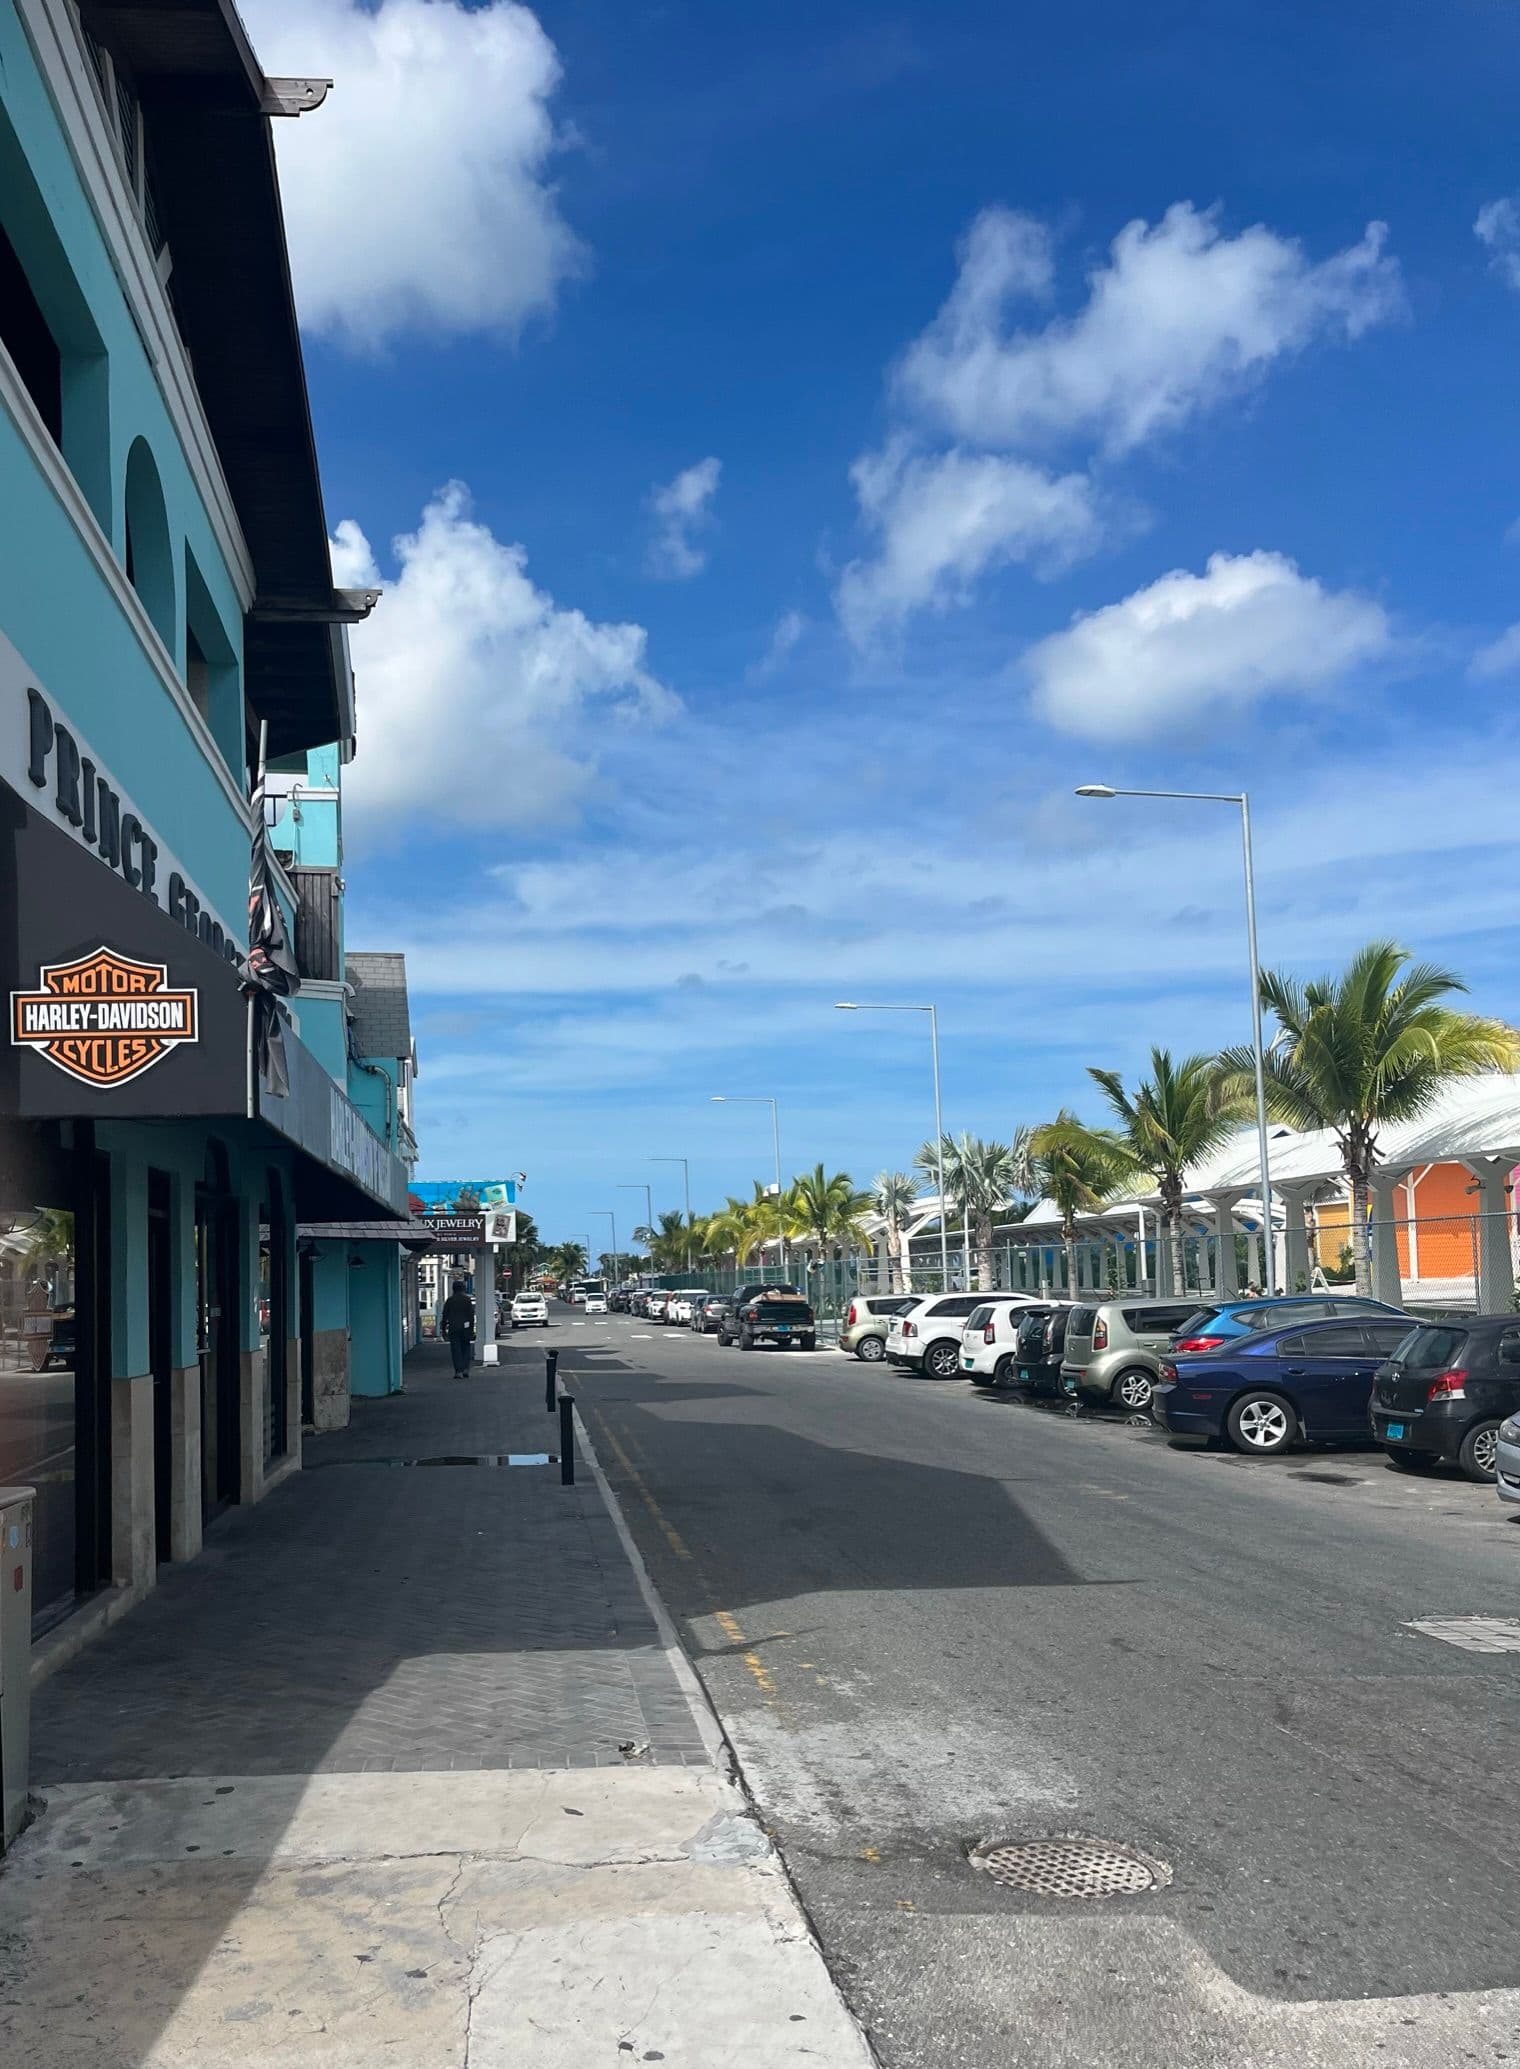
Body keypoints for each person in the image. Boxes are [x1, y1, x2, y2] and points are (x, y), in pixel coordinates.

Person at [440, 1279, 475, 1377]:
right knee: (466, 1348)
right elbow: (471, 1316)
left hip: (453, 1327)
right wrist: (471, 1329)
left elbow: (445, 1315)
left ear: (453, 1289)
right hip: (466, 1327)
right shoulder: (467, 1300)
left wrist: (443, 1328)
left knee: (456, 1349)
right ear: (463, 1288)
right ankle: (465, 1368)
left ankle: (458, 1371)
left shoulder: (450, 1300)